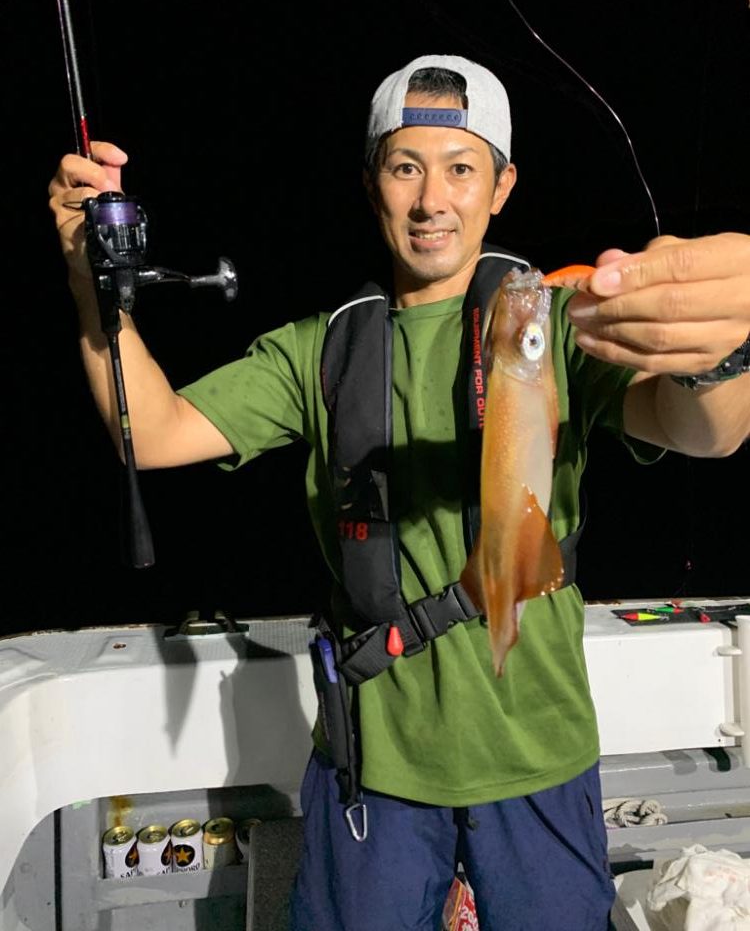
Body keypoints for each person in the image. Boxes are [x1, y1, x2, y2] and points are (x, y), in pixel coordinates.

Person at [49, 55, 750, 931]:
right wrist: (92, 288)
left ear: (501, 187)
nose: (431, 201)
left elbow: (708, 431)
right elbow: (149, 433)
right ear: (372, 182)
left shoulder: (554, 327)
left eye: (461, 168)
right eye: (405, 167)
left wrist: (718, 355)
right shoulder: (320, 350)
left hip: (540, 752)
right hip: (374, 765)